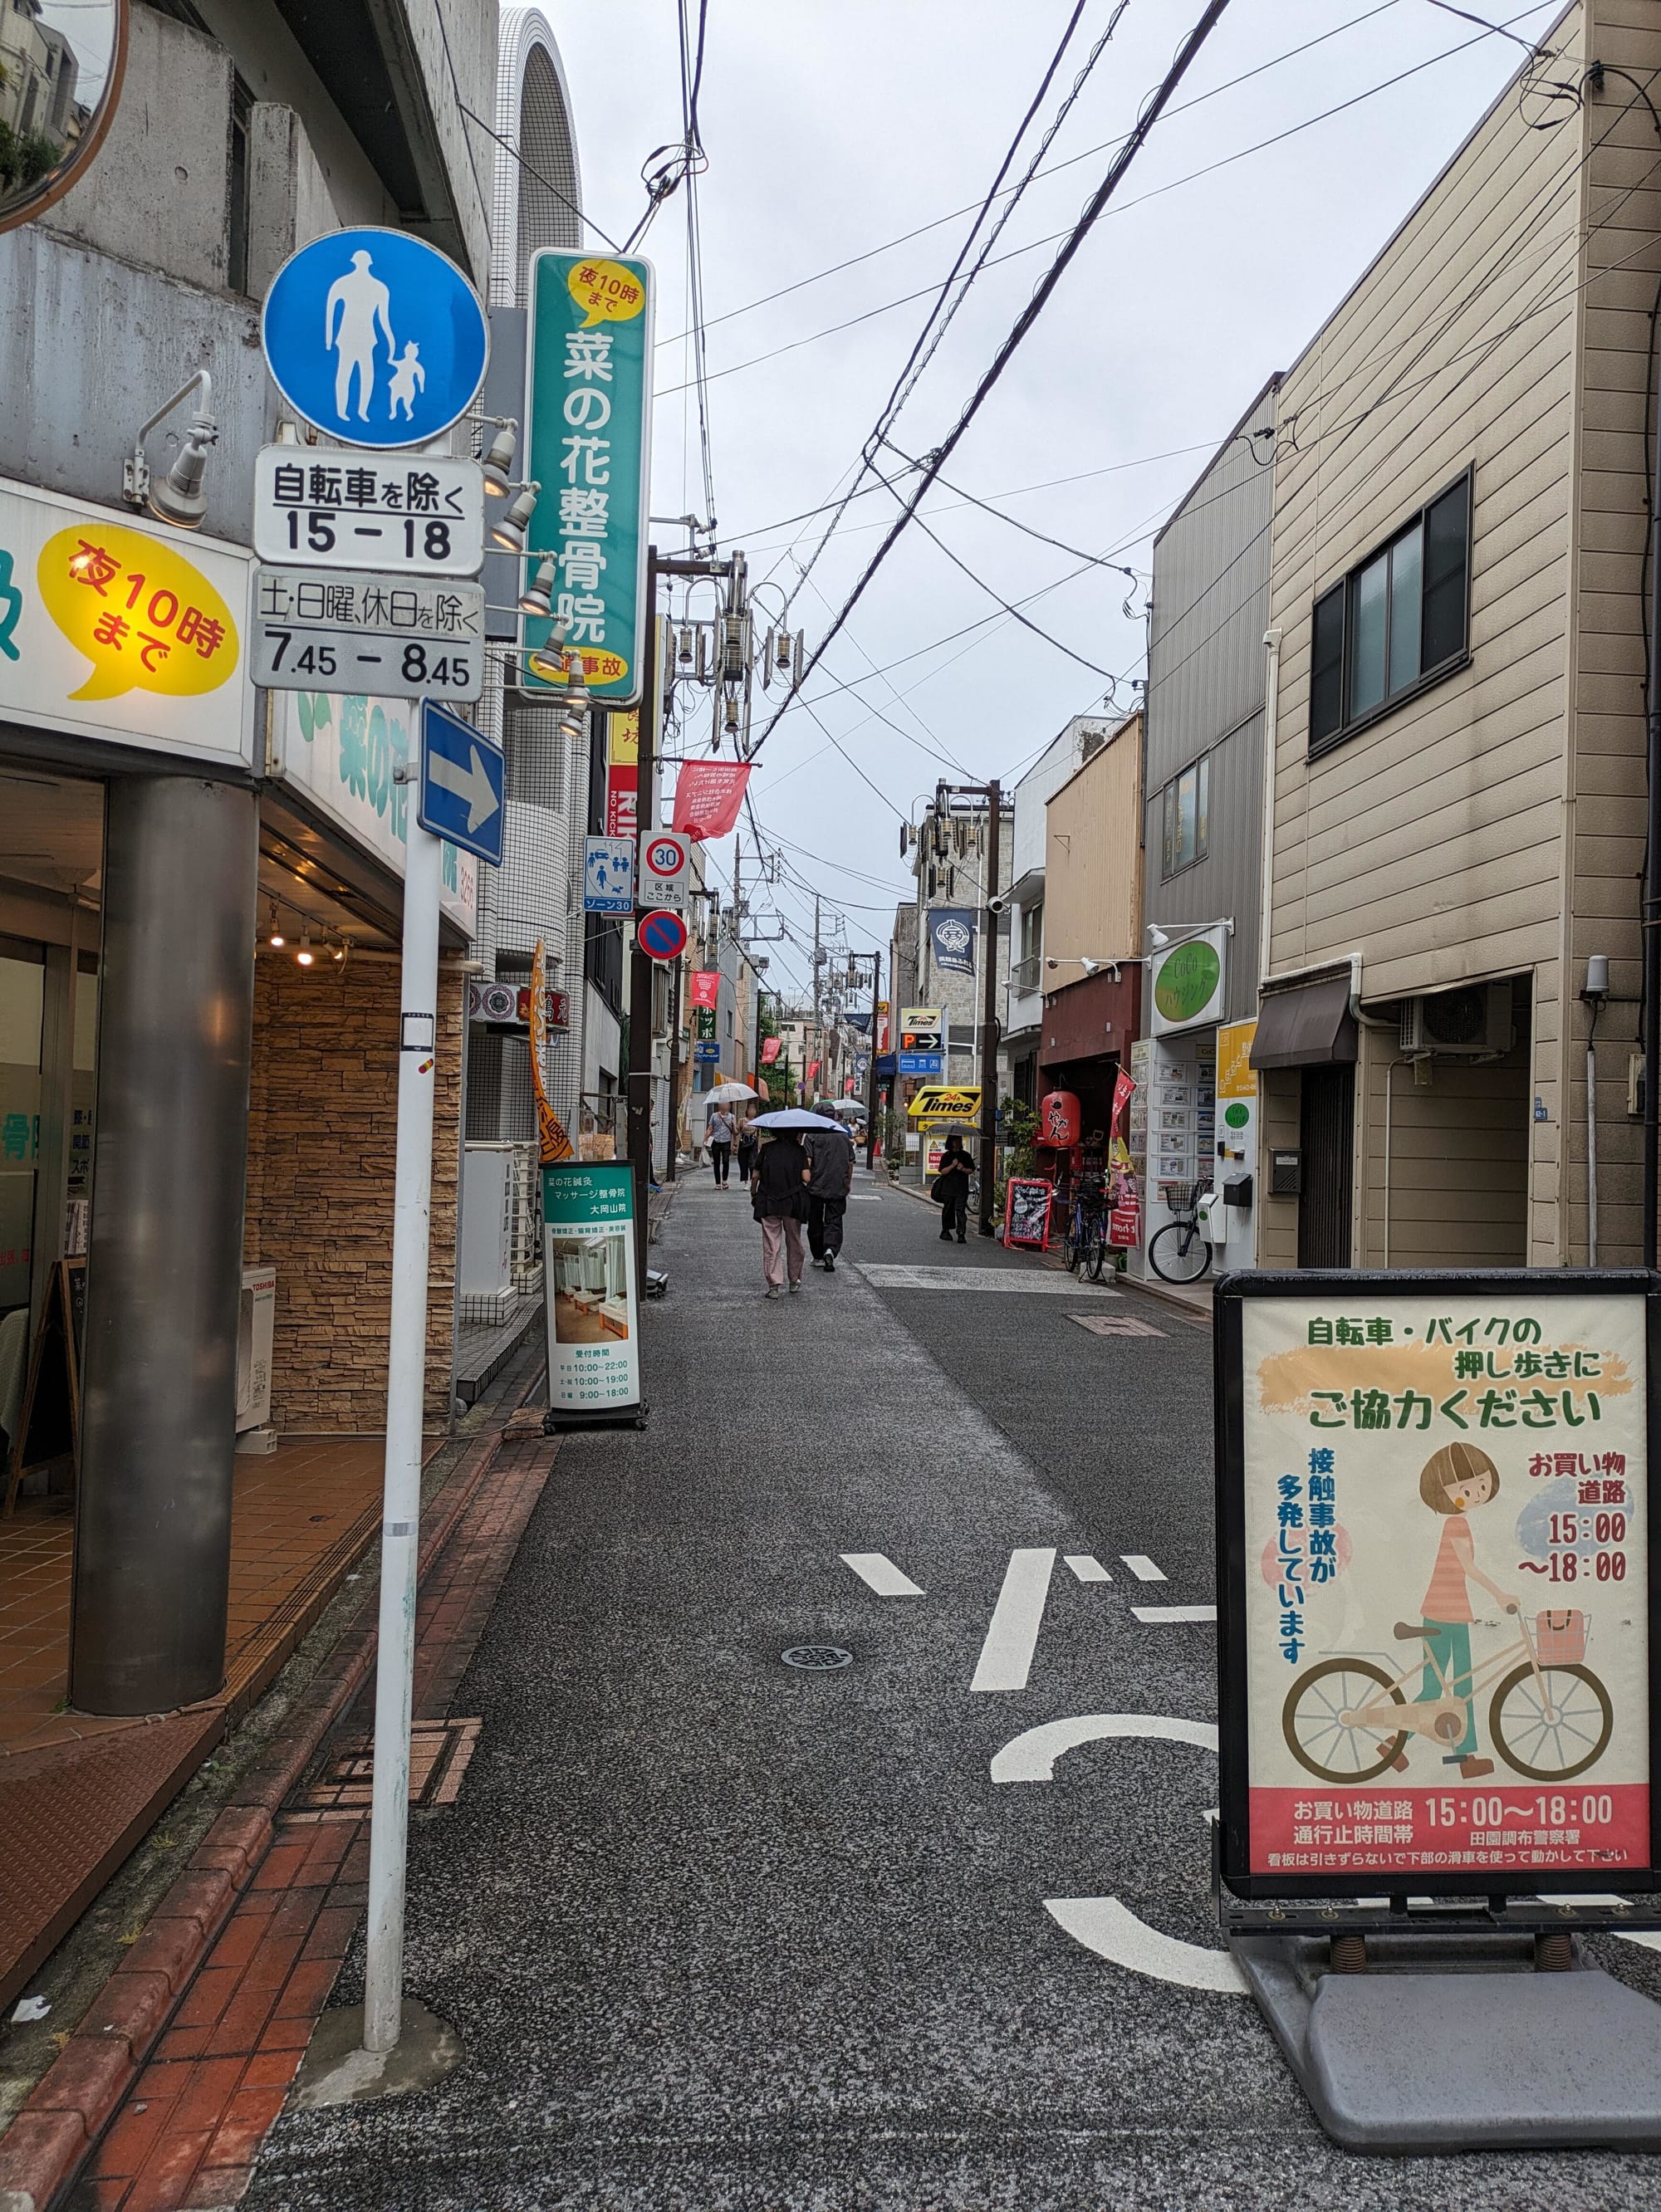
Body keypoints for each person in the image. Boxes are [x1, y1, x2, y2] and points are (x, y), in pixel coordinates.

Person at [1411, 1441, 1520, 1782]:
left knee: (1449, 1688)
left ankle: (1403, 1746)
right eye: (1467, 1489)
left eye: (1482, 1486)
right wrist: (1500, 1594)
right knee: (1454, 1688)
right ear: (1444, 1493)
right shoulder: (1456, 1525)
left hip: (1448, 1612)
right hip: (1448, 1614)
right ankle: (1459, 1754)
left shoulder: (1459, 1523)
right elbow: (1468, 1567)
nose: (1477, 1493)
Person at [752, 1129, 810, 1296]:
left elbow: (756, 1175)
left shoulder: (767, 1149)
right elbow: (806, 1178)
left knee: (772, 1243)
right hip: (792, 1203)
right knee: (794, 1241)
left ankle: (774, 1285)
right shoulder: (799, 1151)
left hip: (769, 1201)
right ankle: (794, 1280)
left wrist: (753, 1192)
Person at [806, 1119, 854, 1271]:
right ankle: (830, 1250)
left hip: (815, 1186)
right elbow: (850, 1163)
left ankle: (818, 1255)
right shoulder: (843, 1136)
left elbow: (807, 1160)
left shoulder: (812, 1135)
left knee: (815, 1221)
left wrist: (805, 1180)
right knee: (834, 1220)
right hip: (838, 1185)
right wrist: (848, 1182)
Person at [933, 1131, 971, 1243]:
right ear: (951, 1142)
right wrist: (952, 1165)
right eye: (956, 1140)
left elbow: (971, 1170)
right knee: (948, 1210)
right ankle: (945, 1231)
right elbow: (943, 1171)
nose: (958, 1142)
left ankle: (961, 1233)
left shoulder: (966, 1156)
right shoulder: (947, 1156)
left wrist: (963, 1169)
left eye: (959, 1139)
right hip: (948, 1188)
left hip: (961, 1188)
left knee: (960, 1210)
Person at [707, 1104, 737, 1187]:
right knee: (716, 1162)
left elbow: (735, 1132)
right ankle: (718, 1183)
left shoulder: (732, 1117)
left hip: (726, 1141)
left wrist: (733, 1126)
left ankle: (724, 1181)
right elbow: (710, 1128)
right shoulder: (714, 1115)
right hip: (715, 1141)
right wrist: (705, 1138)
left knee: (726, 1161)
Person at [736, 1111, 759, 1187]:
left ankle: (751, 1180)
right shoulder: (742, 1120)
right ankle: (746, 1181)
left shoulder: (757, 1121)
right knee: (743, 1162)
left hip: (753, 1144)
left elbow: (758, 1134)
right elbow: (736, 1132)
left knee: (752, 1162)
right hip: (743, 1143)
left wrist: (759, 1147)